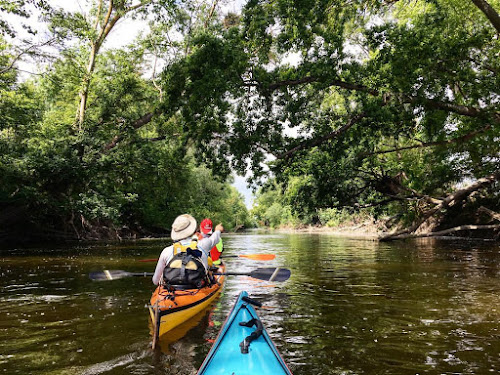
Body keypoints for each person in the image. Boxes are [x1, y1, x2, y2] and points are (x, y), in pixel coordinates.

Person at [152, 214, 223, 286]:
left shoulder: (166, 251)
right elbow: (215, 238)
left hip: (173, 290)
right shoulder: (204, 244)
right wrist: (217, 230)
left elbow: (156, 281)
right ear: (192, 231)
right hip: (198, 288)